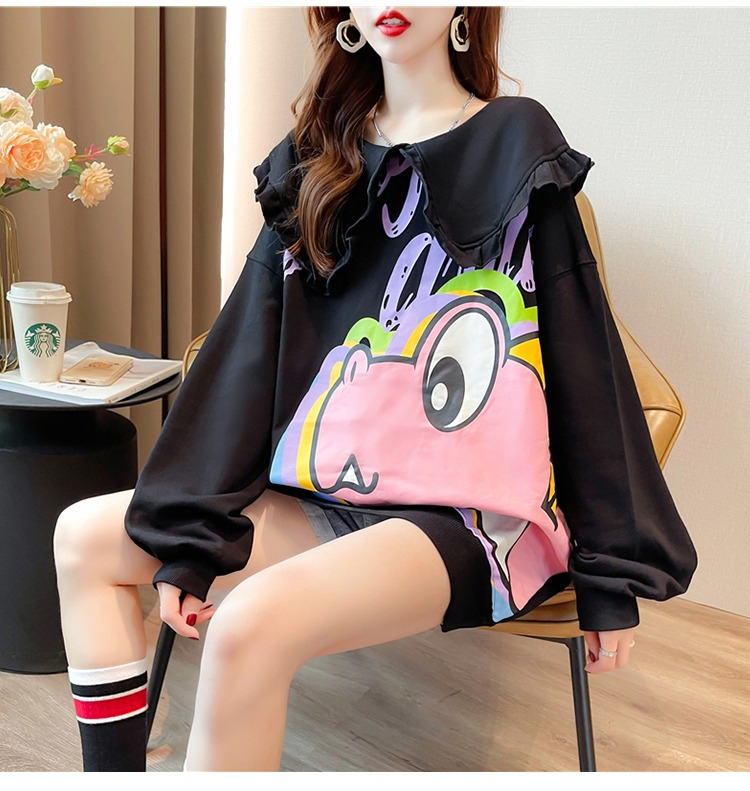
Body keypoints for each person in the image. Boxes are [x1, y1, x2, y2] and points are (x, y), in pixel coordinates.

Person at [53, 7, 698, 773]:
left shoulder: (516, 141)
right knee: (81, 537)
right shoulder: (315, 158)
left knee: (249, 623)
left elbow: (583, 357)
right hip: (329, 490)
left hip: (469, 515)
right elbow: (245, 358)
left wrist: (611, 572)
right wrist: (192, 533)